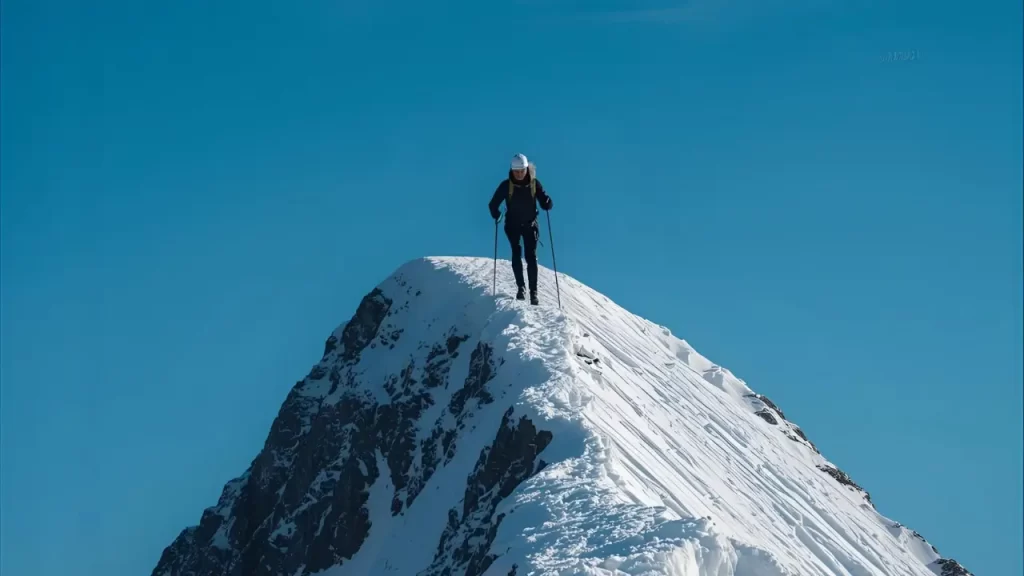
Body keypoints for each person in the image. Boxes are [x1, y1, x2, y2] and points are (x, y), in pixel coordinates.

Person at [489, 153, 553, 305]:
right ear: (512, 170)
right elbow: (492, 205)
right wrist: (496, 215)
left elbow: (545, 200)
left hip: (530, 225)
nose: (518, 174)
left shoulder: (534, 184)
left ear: (526, 169)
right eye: (516, 171)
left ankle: (533, 293)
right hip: (513, 225)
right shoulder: (506, 185)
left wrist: (547, 203)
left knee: (531, 256)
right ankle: (521, 288)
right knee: (516, 252)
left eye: (521, 171)